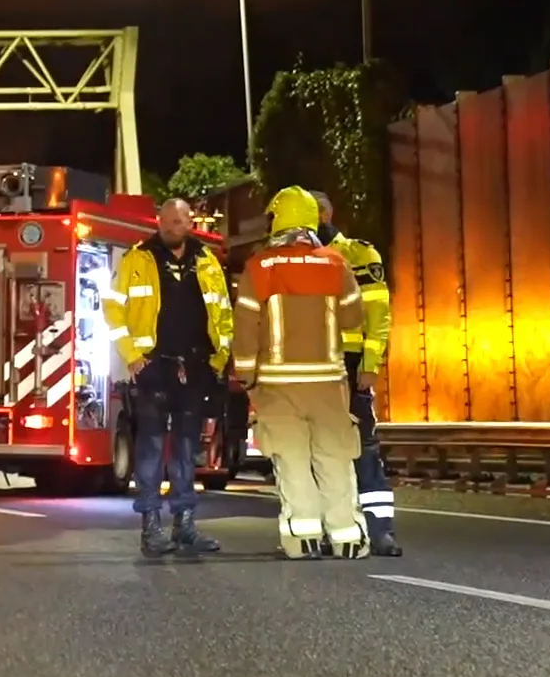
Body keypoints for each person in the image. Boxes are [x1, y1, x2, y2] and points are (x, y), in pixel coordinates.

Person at [232, 187, 370, 559]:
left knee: (291, 461)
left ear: (278, 221)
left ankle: (303, 538)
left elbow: (245, 329)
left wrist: (245, 376)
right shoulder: (336, 264)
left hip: (278, 386)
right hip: (328, 383)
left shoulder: (260, 267)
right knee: (335, 459)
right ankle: (347, 538)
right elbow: (356, 317)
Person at [105, 197, 234, 557]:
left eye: (179, 222)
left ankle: (185, 525)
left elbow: (223, 314)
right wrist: (133, 358)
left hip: (195, 368)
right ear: (158, 222)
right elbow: (113, 310)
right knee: (149, 448)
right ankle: (151, 527)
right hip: (153, 367)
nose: (172, 228)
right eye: (166, 222)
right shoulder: (137, 258)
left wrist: (219, 359)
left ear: (190, 222)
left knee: (186, 448)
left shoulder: (207, 261)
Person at [310, 190, 401, 557]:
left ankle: (380, 531)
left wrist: (369, 366)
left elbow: (378, 315)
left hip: (348, 367)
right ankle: (330, 530)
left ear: (325, 213)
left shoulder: (360, 255)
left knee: (364, 449)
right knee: (315, 452)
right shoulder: (289, 260)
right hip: (311, 370)